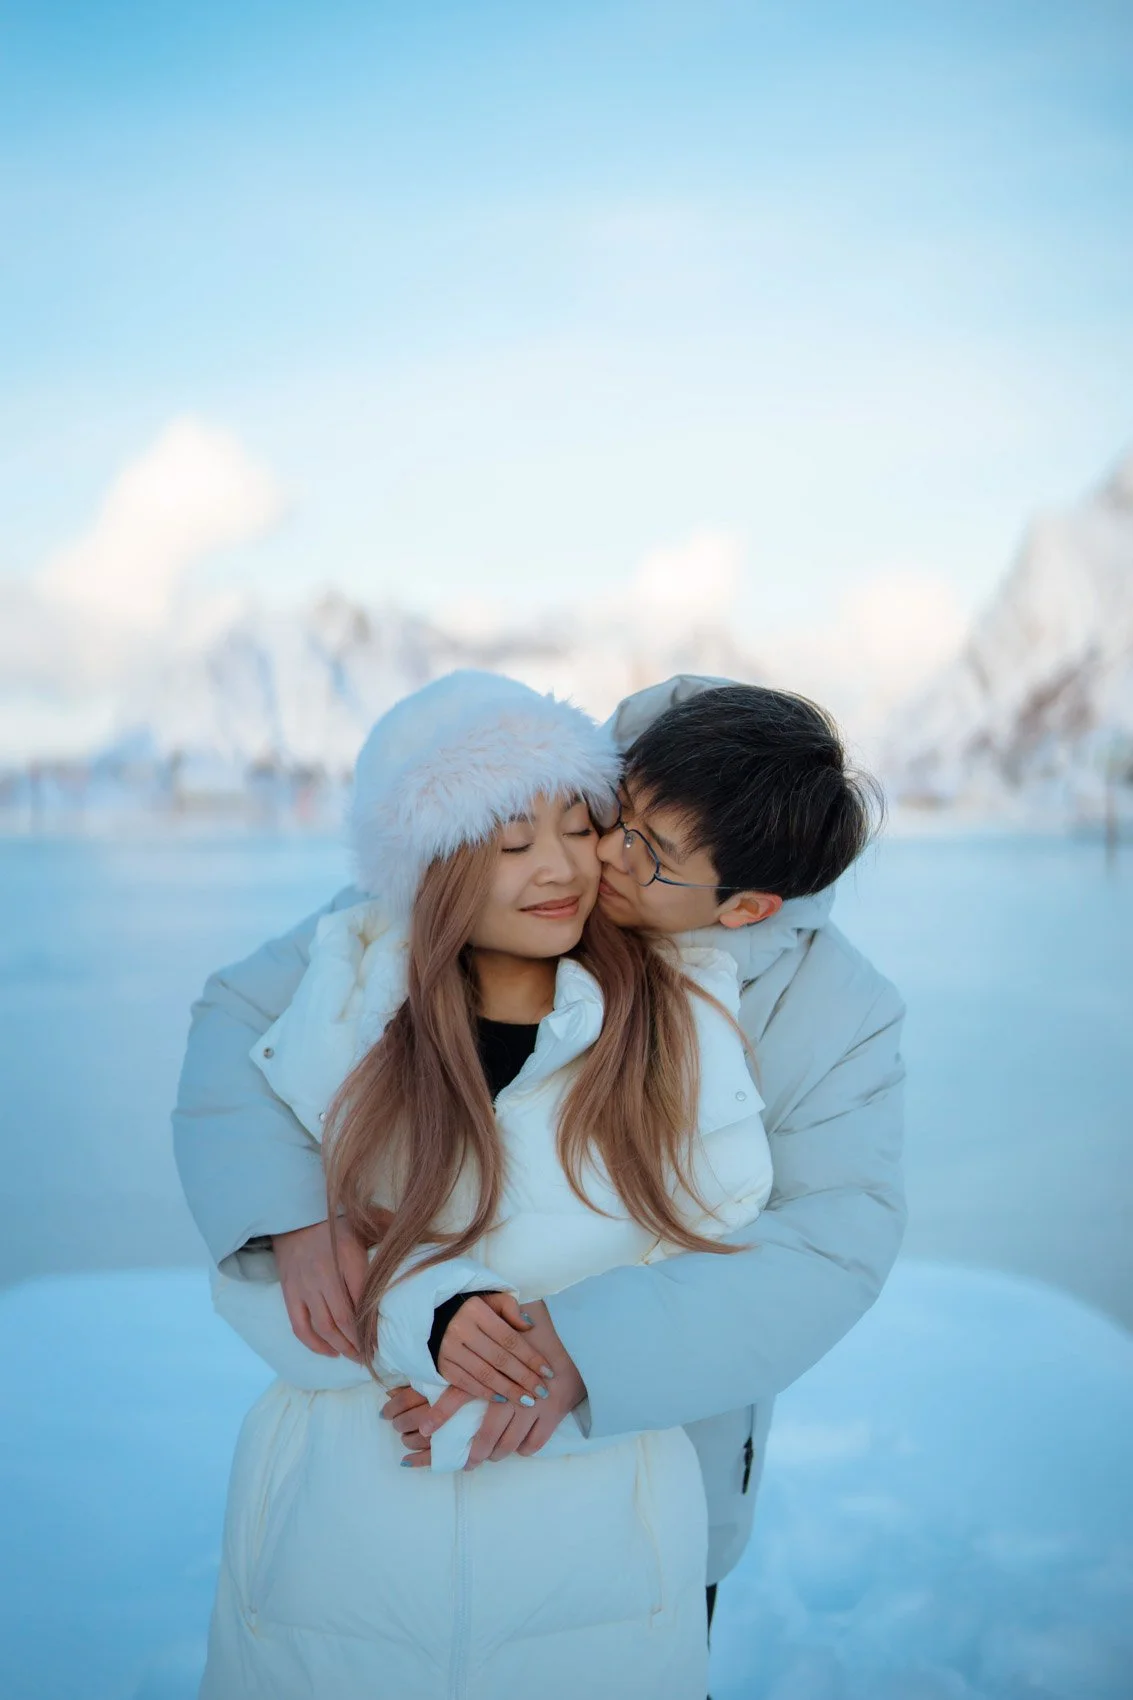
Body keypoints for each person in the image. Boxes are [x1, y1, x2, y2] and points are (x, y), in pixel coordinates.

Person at [174, 672, 907, 1674]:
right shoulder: (517, 854)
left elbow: (831, 1242)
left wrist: (581, 1352)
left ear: (745, 907)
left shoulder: (828, 1005)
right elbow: (244, 1018)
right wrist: (291, 1214)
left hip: (651, 1439)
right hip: (382, 1474)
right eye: (617, 815)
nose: (600, 855)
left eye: (648, 854)